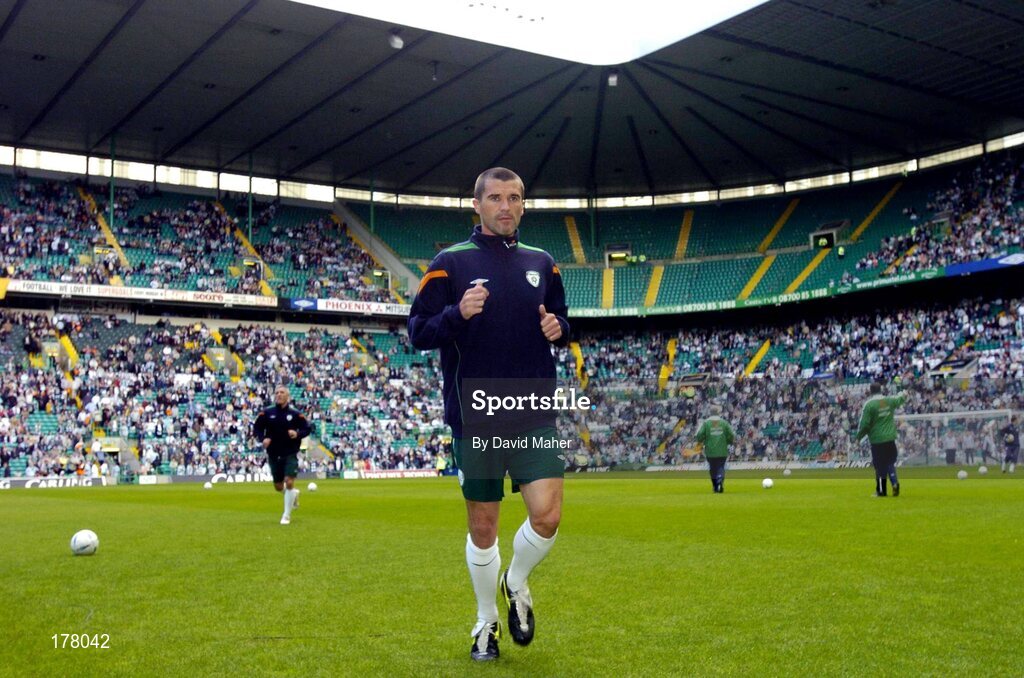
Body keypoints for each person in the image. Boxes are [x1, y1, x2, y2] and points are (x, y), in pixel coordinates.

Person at [408, 167, 570, 662]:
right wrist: (458, 314)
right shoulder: (448, 264)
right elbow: (417, 331)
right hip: (475, 414)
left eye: (514, 198)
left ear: (523, 205)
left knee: (547, 516)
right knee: (484, 528)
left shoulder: (543, 263)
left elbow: (565, 322)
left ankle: (515, 582)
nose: (506, 206)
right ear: (475, 205)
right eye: (496, 198)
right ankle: (485, 622)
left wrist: (558, 327)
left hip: (534, 409)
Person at [252, 384, 311, 524]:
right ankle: (293, 494)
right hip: (273, 453)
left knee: (289, 481)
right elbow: (257, 428)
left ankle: (286, 515)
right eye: (277, 392)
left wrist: (297, 434)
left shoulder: (296, 414)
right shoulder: (266, 413)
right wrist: (262, 439)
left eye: (282, 392)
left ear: (287, 396)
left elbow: (307, 428)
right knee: (278, 486)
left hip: (290, 453)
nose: (278, 394)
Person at [854, 383, 907, 497]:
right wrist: (904, 393)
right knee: (890, 463)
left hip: (877, 440)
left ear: (870, 391)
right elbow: (900, 399)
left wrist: (858, 437)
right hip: (890, 438)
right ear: (881, 389)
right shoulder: (889, 401)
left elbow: (864, 425)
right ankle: (895, 483)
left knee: (880, 466)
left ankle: (881, 491)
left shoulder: (869, 405)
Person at [694, 404, 735, 493]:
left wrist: (701, 440)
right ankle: (720, 480)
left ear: (710, 413)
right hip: (722, 450)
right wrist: (728, 442)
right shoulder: (724, 423)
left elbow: (699, 435)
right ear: (718, 413)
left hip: (710, 451)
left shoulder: (706, 423)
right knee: (721, 466)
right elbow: (731, 435)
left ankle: (715, 486)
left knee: (712, 468)